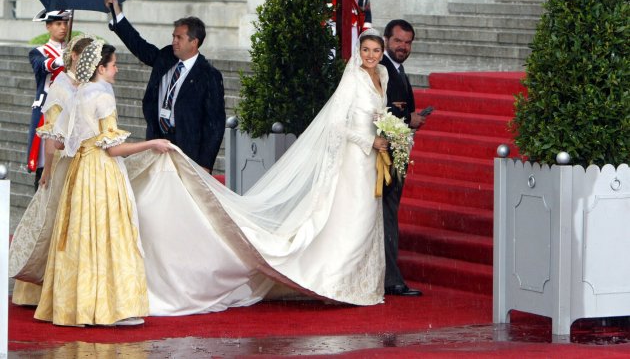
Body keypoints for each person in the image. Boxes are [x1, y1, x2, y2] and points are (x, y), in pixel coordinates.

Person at [122, 29, 390, 315]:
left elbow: (379, 114)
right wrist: (369, 140)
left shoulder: (382, 76)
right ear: (359, 52)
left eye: (375, 50)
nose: (370, 56)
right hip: (354, 157)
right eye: (366, 50)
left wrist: (388, 131)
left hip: (373, 159)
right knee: (349, 217)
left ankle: (361, 281)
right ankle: (335, 279)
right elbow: (337, 124)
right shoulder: (353, 78)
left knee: (365, 216)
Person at [34, 41, 172, 326]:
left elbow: (57, 141)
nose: (117, 69)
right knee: (110, 235)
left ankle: (78, 307)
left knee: (81, 237)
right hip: (101, 172)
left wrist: (56, 164)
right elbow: (112, 149)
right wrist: (151, 144)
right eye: (114, 65)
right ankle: (112, 306)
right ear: (101, 68)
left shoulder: (78, 93)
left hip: (79, 172)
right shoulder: (103, 96)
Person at [11, 35, 95, 307]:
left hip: (82, 162)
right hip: (60, 162)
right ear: (75, 57)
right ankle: (47, 287)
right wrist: (47, 170)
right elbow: (51, 132)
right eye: (88, 57)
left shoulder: (88, 86)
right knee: (56, 224)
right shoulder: (60, 86)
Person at [103, 0, 225, 173]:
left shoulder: (209, 75)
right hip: (157, 142)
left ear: (194, 42)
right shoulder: (166, 57)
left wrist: (206, 164)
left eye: (179, 38)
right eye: (173, 36)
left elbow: (215, 125)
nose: (174, 41)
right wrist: (117, 12)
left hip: (187, 149)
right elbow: (139, 46)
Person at [380, 19, 425, 296]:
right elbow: (377, 110)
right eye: (398, 41)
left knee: (388, 214)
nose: (403, 47)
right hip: (384, 156)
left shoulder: (397, 69)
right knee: (386, 216)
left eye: (408, 43)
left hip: (396, 153)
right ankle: (390, 279)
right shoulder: (382, 69)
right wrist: (409, 118)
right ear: (386, 39)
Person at [27, 10, 70, 190]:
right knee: (44, 165)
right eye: (58, 23)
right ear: (48, 26)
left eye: (65, 23)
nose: (63, 27)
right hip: (47, 111)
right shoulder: (38, 51)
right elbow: (42, 66)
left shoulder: (71, 50)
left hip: (68, 111)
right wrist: (64, 58)